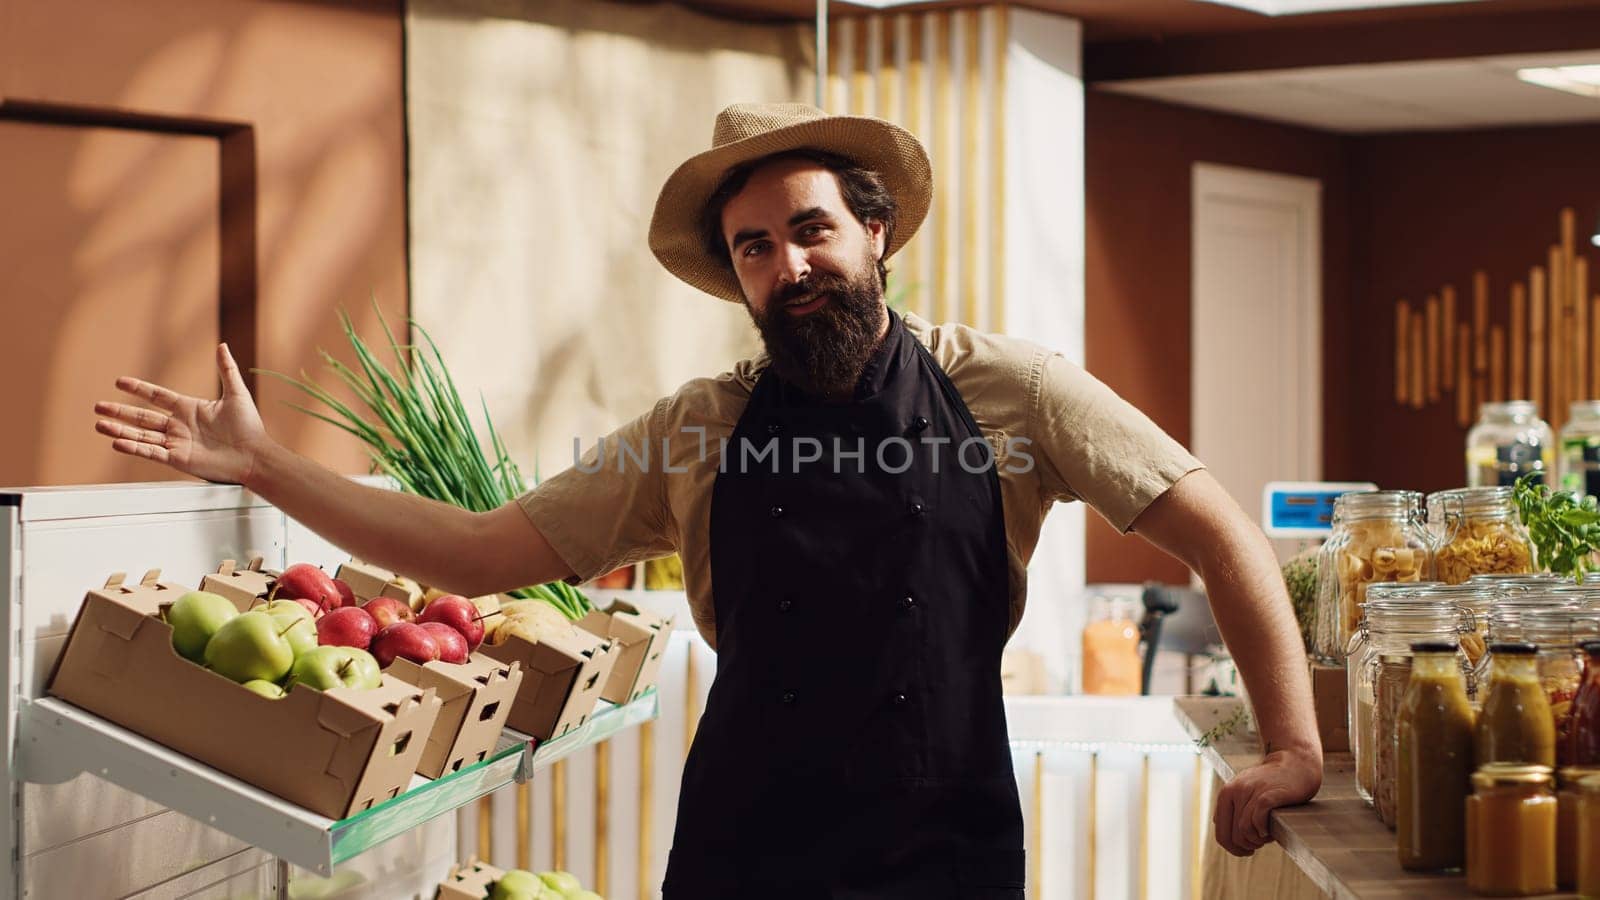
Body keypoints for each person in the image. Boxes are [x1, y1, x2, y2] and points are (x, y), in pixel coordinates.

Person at [93, 102, 1321, 898]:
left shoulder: (1012, 391)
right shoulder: (698, 427)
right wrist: (266, 466)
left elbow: (1216, 529)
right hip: (750, 849)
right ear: (733, 274)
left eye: (812, 231)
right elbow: (478, 553)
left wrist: (1293, 745)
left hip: (942, 847)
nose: (789, 265)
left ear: (875, 235)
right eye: (754, 246)